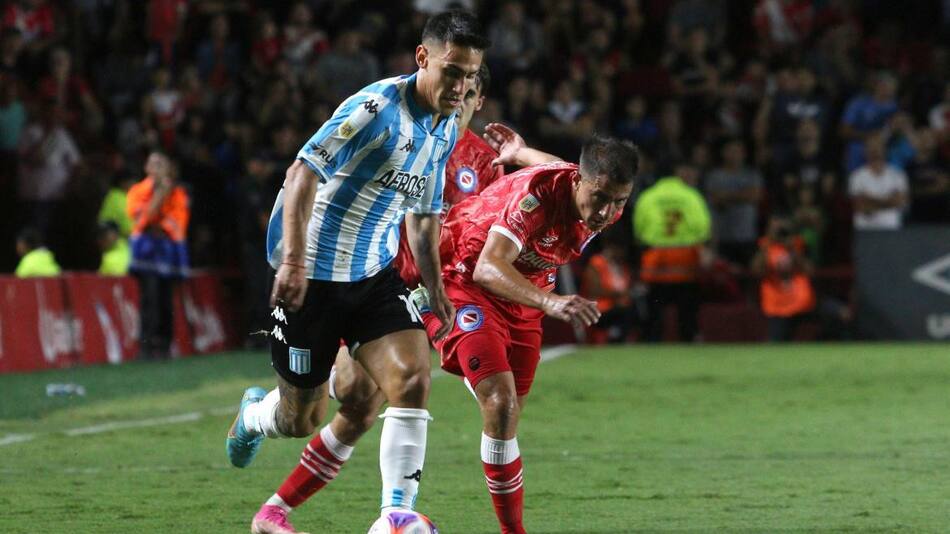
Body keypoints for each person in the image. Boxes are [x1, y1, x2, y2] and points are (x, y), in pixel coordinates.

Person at [229, 11, 488, 534]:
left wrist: (435, 289)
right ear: (423, 58)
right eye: (452, 71)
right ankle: (255, 415)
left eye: (470, 77)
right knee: (302, 418)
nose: (460, 87)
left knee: (412, 379)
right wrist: (297, 260)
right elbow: (301, 173)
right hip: (312, 276)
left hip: (373, 274)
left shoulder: (444, 125)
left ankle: (397, 513)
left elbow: (422, 213)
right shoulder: (375, 110)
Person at [416, 128, 638, 534]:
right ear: (580, 182)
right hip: (466, 278)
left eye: (618, 201)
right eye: (601, 199)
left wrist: (520, 152)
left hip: (523, 296)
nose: (606, 212)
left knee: (507, 418)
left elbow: (556, 166)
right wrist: (553, 303)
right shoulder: (534, 200)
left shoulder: (592, 188)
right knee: (500, 404)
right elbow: (487, 267)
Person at [633, 162, 710, 342]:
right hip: (685, 260)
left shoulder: (648, 196)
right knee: (687, 313)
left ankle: (652, 344)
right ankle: (689, 342)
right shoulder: (691, 195)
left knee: (654, 313)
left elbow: (639, 230)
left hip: (656, 261)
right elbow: (702, 228)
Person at [126, 151, 190, 359]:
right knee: (148, 297)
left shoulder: (179, 194)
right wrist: (160, 194)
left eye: (161, 163)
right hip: (145, 248)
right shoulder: (137, 191)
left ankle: (164, 344)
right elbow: (142, 219)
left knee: (165, 298)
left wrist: (160, 220)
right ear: (146, 168)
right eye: (153, 163)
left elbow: (178, 224)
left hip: (167, 249)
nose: (157, 168)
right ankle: (146, 345)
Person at [848, 134, 908, 230]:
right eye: (871, 147)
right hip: (864, 227)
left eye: (878, 146)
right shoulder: (856, 176)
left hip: (891, 227)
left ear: (885, 149)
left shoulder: (897, 175)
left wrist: (869, 199)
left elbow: (900, 202)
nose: (875, 150)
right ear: (865, 151)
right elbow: (858, 205)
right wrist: (888, 200)